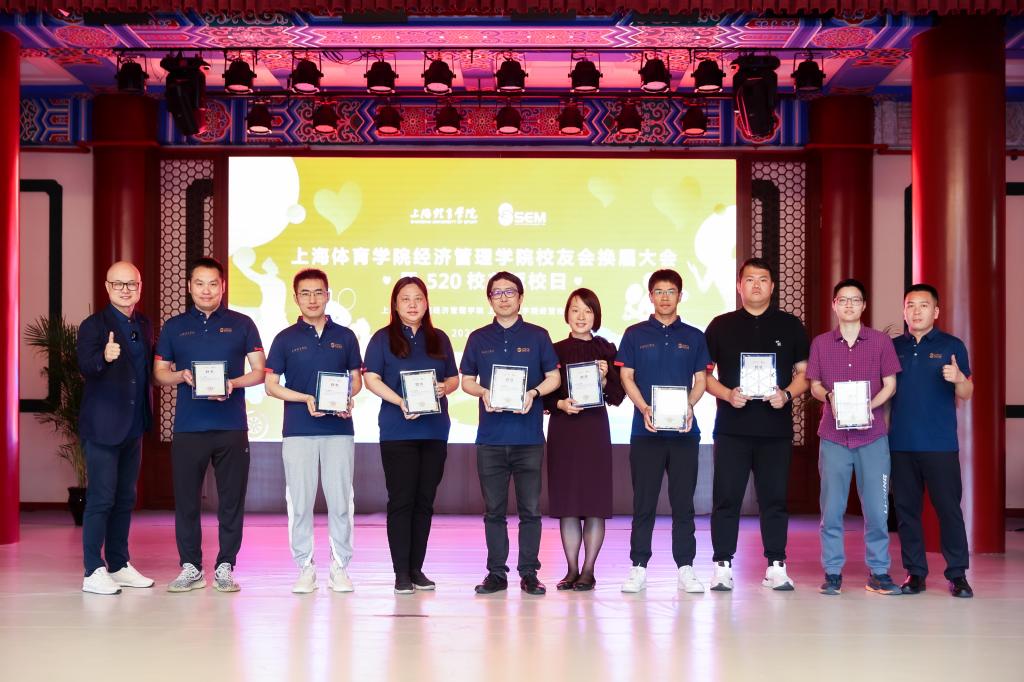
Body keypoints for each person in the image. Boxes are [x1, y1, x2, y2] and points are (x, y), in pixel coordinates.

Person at [154, 257, 265, 593]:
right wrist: (181, 375)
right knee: (187, 501)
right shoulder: (174, 327)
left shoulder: (242, 324)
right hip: (189, 428)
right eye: (199, 283)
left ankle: (225, 566)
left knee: (232, 501)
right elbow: (159, 374)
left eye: (213, 283)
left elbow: (259, 371)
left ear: (223, 286)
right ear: (190, 287)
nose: (206, 290)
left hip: (232, 426)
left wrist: (233, 383)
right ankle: (190, 567)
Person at [704, 258, 809, 591]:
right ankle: (722, 565)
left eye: (763, 279)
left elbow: (805, 373)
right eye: (749, 279)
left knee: (774, 499)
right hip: (732, 428)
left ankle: (776, 565)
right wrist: (726, 394)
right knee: (726, 498)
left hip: (774, 430)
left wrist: (787, 394)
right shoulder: (721, 326)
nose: (756, 285)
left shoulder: (790, 325)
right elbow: (703, 376)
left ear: (772, 286)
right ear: (739, 286)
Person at [460, 271, 560, 596]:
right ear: (489, 299)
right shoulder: (478, 338)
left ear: (521, 297)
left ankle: (529, 573)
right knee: (494, 512)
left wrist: (533, 393)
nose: (503, 298)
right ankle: (496, 574)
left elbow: (554, 377)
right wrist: (483, 392)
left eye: (510, 292)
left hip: (528, 438)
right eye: (497, 293)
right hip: (490, 439)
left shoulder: (538, 336)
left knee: (531, 511)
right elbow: (466, 380)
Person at [265, 268, 363, 594]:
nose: (312, 299)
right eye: (305, 293)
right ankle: (305, 566)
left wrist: (348, 396)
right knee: (300, 502)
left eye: (318, 292)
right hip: (298, 431)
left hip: (339, 429)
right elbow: (271, 385)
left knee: (341, 501)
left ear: (328, 295)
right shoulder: (285, 339)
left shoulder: (345, 336)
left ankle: (340, 567)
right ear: (296, 298)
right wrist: (305, 398)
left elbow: (356, 380)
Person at [363, 277, 459, 594]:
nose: (413, 304)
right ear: (395, 304)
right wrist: (400, 401)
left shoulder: (439, 338)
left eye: (418, 298)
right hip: (398, 431)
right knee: (402, 501)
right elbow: (372, 379)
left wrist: (445, 387)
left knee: (424, 502)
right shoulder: (382, 339)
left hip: (434, 431)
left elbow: (454, 378)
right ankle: (401, 572)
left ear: (426, 302)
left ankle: (417, 569)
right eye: (405, 299)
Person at [806, 278, 901, 596]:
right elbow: (814, 385)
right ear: (834, 305)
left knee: (876, 509)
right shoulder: (821, 343)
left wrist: (866, 407)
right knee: (831, 509)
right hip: (833, 437)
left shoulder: (880, 342)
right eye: (843, 300)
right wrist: (829, 397)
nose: (849, 305)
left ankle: (879, 572)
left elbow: (890, 385)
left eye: (855, 299)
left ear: (864, 305)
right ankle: (833, 572)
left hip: (872, 436)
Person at [618, 269, 710, 594]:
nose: (665, 297)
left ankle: (686, 567)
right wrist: (644, 408)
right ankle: (638, 567)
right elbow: (626, 377)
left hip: (684, 434)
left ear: (680, 296)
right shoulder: (634, 334)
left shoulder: (695, 336)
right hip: (646, 433)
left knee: (683, 504)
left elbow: (701, 380)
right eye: (659, 291)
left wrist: (689, 406)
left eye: (671, 291)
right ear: (650, 296)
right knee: (643, 503)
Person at [889, 283, 975, 598]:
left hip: (940, 445)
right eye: (910, 305)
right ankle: (915, 573)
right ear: (904, 311)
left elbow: (967, 392)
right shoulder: (893, 347)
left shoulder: (952, 345)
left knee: (949, 510)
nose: (916, 311)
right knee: (906, 512)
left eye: (923, 305)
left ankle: (958, 575)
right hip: (900, 444)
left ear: (935, 311)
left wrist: (959, 379)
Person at [77, 261, 156, 595]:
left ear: (139, 287)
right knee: (101, 498)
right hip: (103, 427)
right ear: (108, 287)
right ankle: (93, 569)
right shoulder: (94, 325)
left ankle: (119, 564)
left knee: (125, 498)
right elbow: (85, 366)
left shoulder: (144, 323)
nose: (126, 290)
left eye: (132, 284)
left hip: (134, 426)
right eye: (119, 284)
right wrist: (104, 357)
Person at [543, 288, 625, 591]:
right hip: (564, 430)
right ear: (567, 314)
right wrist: (559, 404)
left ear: (596, 316)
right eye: (575, 310)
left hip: (594, 431)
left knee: (593, 502)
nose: (581, 316)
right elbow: (543, 395)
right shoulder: (554, 350)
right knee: (567, 503)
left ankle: (588, 570)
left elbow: (618, 396)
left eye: (587, 311)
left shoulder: (607, 350)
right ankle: (571, 569)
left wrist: (604, 379)